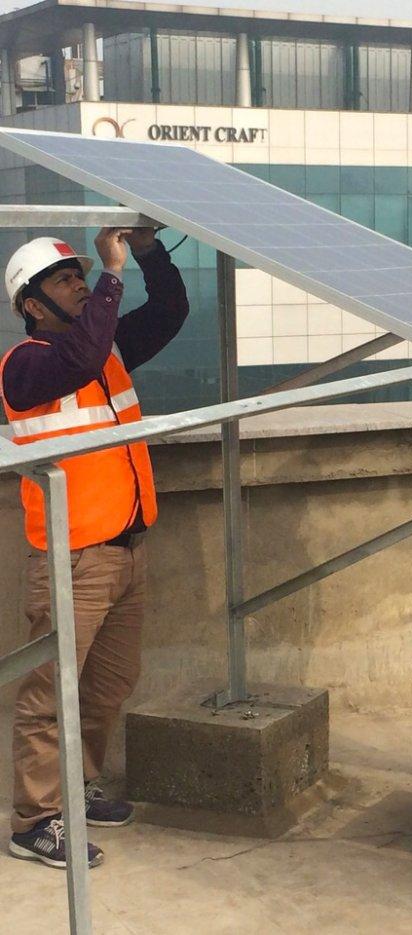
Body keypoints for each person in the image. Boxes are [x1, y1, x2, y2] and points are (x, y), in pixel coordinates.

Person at [2, 227, 189, 868]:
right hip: (72, 560)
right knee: (51, 695)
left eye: (81, 276)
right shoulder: (25, 365)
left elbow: (170, 313)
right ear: (31, 304)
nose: (80, 284)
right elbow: (76, 363)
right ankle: (35, 821)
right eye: (63, 280)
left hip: (124, 550)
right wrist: (111, 274)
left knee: (107, 686)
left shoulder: (104, 353)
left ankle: (75, 788)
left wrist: (144, 251)